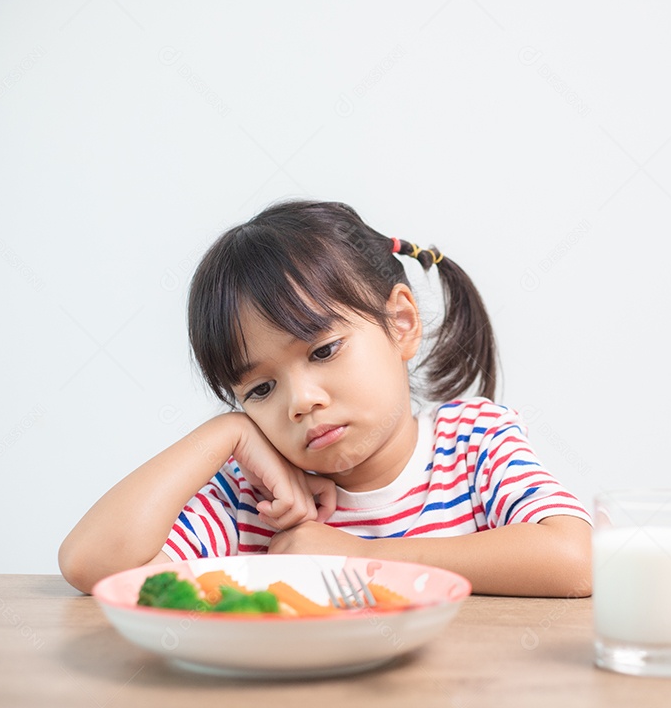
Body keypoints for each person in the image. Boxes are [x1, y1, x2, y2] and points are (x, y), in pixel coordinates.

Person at [59, 200, 592, 597]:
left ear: (401, 323)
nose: (300, 401)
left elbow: (577, 559)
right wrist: (226, 434)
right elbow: (92, 567)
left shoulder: (474, 441)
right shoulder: (254, 502)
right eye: (260, 390)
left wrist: (359, 557)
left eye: (323, 350)